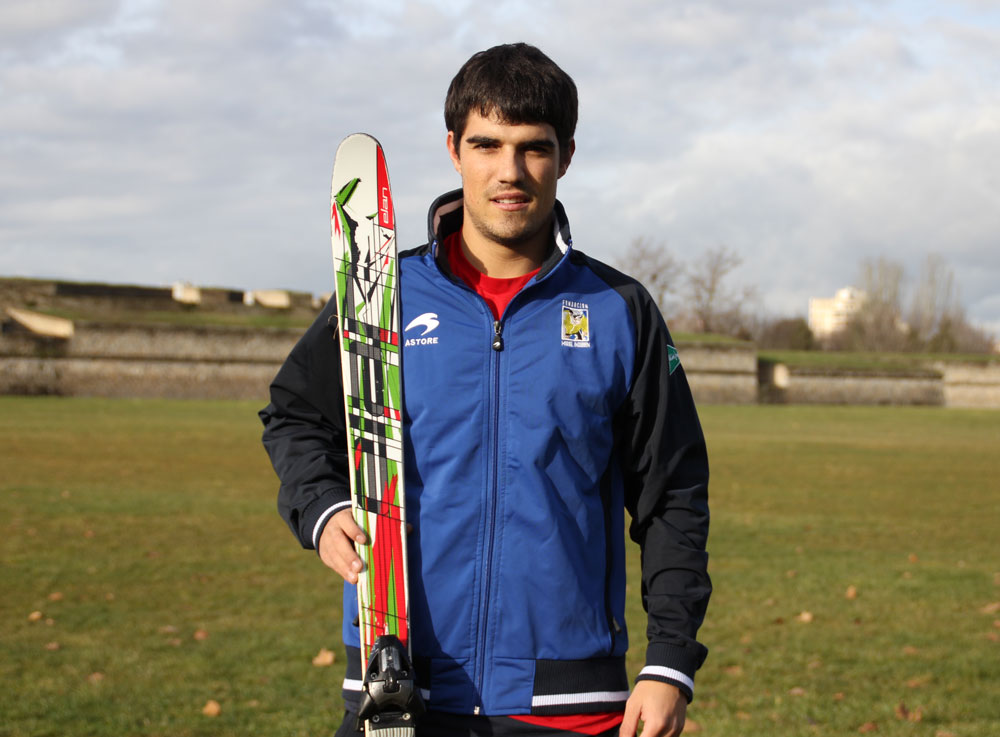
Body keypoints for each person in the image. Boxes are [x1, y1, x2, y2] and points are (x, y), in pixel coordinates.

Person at [260, 43, 711, 737]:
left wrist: (670, 661)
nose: (511, 171)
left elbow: (673, 491)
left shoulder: (618, 308)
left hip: (567, 697)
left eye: (534, 147)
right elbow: (293, 414)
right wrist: (320, 507)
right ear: (454, 150)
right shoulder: (384, 294)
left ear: (565, 156)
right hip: (397, 685)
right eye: (487, 144)